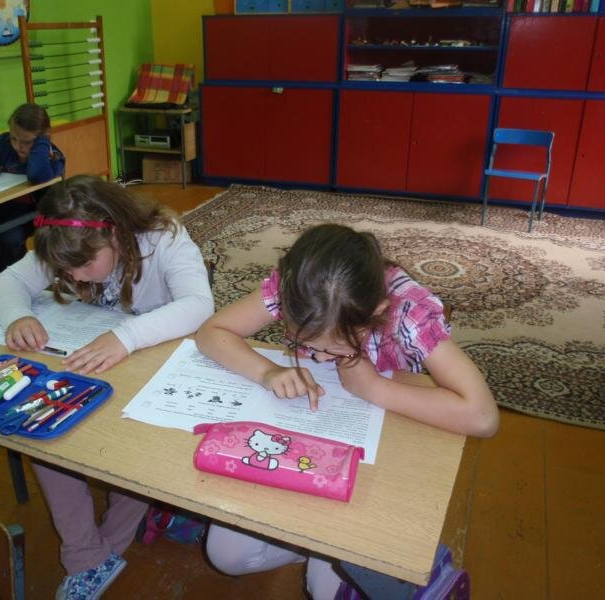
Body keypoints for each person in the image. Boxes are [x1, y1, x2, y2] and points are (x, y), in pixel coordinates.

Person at [195, 223, 499, 600]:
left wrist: (375, 388)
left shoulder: (406, 311)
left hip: (384, 448)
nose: (321, 359)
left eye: (334, 349)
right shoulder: (296, 289)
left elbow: (483, 417)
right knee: (226, 554)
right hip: (312, 439)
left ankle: (376, 555)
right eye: (307, 346)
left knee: (325, 588)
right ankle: (312, 542)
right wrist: (268, 372)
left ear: (377, 313)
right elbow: (211, 332)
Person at [0, 175, 214, 599]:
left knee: (134, 446)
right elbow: (9, 282)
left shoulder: (162, 237)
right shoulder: (69, 243)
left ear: (114, 233)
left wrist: (125, 336)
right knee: (43, 424)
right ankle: (89, 554)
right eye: (65, 271)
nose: (74, 275)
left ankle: (96, 552)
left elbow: (200, 305)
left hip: (155, 361)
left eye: (84, 266)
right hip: (94, 358)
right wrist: (17, 315)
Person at [0, 102, 65, 272]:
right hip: (3, 205)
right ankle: (3, 273)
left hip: (35, 211)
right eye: (14, 138)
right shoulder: (3, 143)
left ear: (43, 138)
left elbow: (37, 175)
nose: (18, 146)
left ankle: (17, 274)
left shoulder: (52, 157)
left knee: (8, 237)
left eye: (26, 142)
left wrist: (42, 143)